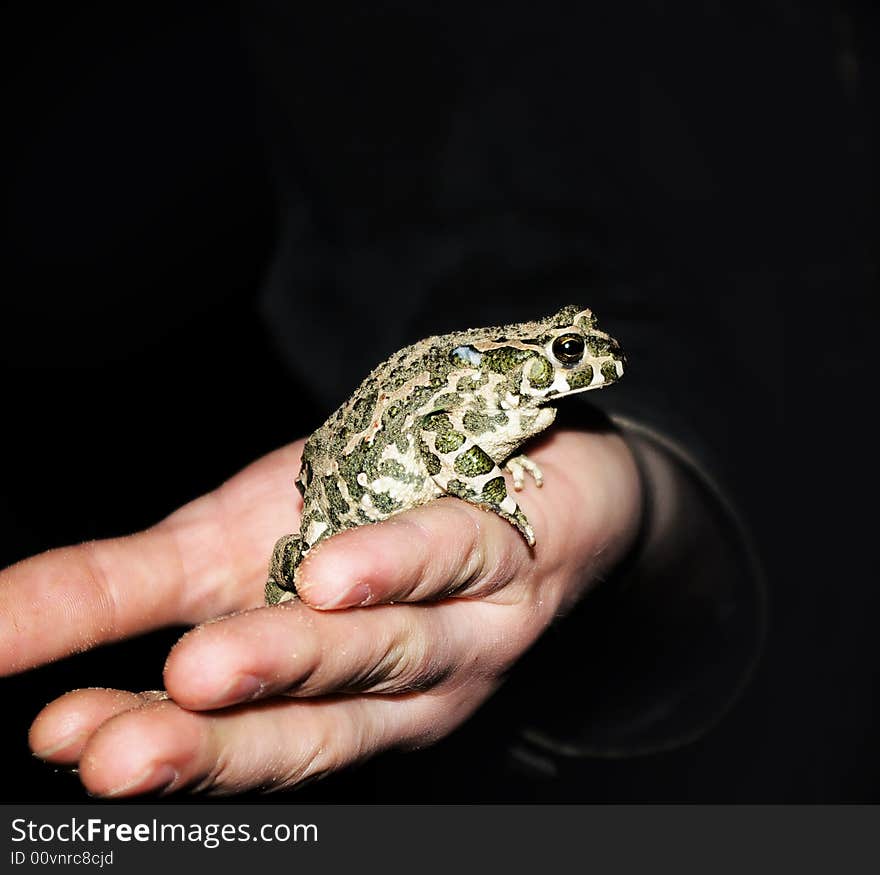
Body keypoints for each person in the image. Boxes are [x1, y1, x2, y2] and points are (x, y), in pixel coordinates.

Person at [3, 2, 869, 800]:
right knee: (313, 575)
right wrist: (493, 485)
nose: (592, 360)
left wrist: (646, 483)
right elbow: (451, 431)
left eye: (580, 344)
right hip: (357, 476)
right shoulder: (474, 350)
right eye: (569, 352)